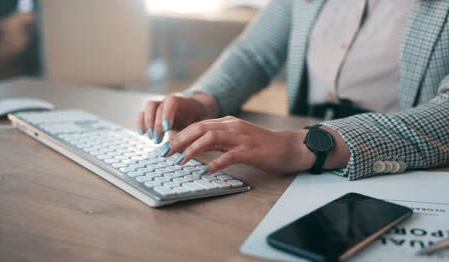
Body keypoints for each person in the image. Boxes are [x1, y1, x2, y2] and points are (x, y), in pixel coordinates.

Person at [137, 0, 449, 180]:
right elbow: (255, 55)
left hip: (398, 167)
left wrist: (303, 146)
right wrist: (205, 102)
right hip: (300, 163)